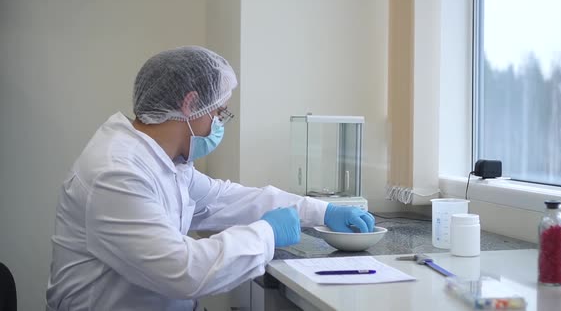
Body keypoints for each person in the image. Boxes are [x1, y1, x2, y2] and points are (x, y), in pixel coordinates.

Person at [45, 46, 375, 310]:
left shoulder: (164, 162)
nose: (219, 124)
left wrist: (322, 212)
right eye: (219, 113)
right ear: (190, 104)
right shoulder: (116, 172)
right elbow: (185, 272)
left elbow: (225, 198)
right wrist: (267, 232)